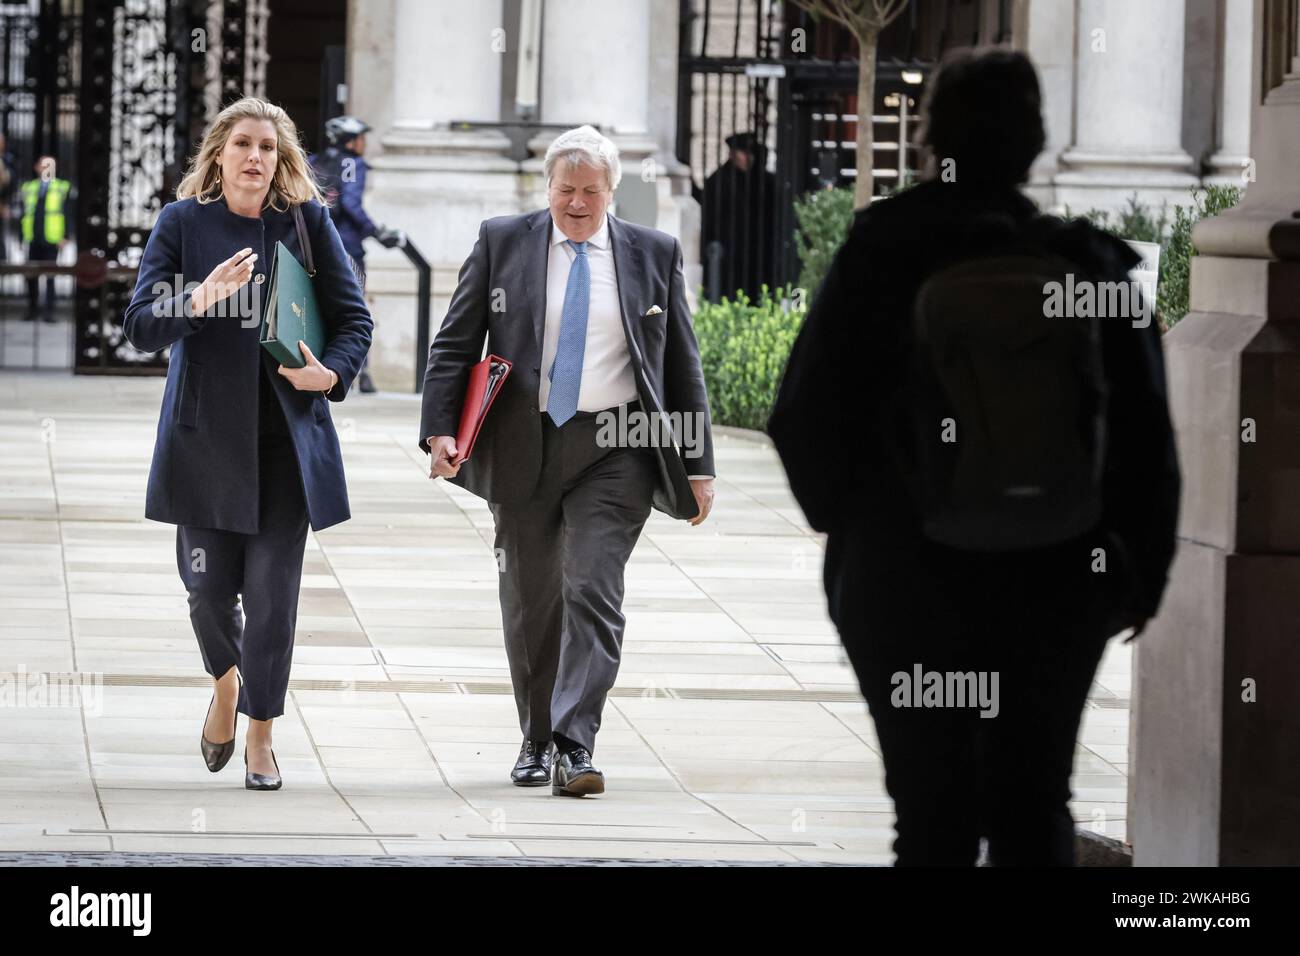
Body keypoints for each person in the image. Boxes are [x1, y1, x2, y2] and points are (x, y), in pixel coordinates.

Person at [768, 48, 1180, 865]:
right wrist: (1138, 574)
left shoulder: (881, 256)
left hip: (907, 574)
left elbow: (804, 415)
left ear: (929, 140)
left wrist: (862, 530)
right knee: (1036, 802)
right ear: (1033, 143)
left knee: (931, 812)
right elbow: (1144, 437)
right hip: (1059, 574)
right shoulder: (1087, 267)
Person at [419, 125, 716, 796]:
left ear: (613, 191)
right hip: (524, 442)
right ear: (546, 187)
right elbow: (455, 340)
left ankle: (575, 746)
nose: (577, 203)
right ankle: (535, 735)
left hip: (617, 448)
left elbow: (680, 364)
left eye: (590, 191)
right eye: (565, 189)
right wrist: (440, 430)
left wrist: (699, 465)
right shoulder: (502, 242)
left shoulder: (653, 253)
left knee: (591, 588)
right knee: (532, 601)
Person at [122, 96, 373, 791]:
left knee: (271, 603)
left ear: (282, 159)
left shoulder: (306, 223)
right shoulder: (182, 223)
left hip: (285, 448)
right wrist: (197, 300)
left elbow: (354, 321)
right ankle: (225, 685)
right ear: (219, 155)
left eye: (268, 146)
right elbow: (140, 325)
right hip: (203, 444)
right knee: (206, 592)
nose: (255, 157)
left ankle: (261, 733)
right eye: (243, 145)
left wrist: (332, 374)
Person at [309, 114, 403, 392]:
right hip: (347, 247)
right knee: (353, 309)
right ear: (351, 141)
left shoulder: (314, 162)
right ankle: (358, 374)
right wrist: (375, 231)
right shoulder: (353, 163)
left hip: (316, 244)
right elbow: (351, 203)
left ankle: (320, 365)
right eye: (361, 138)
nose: (364, 143)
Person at [698, 131, 780, 302]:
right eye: (744, 153)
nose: (749, 158)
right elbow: (711, 220)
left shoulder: (763, 179)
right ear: (733, 154)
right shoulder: (718, 181)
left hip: (758, 251)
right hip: (730, 250)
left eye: (751, 153)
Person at [20, 155, 73, 322]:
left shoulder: (62, 187)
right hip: (34, 238)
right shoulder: (29, 187)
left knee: (50, 276)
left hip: (52, 239)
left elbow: (68, 213)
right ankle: (32, 309)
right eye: (44, 165)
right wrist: (21, 237)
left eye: (50, 166)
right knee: (31, 276)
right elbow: (25, 213)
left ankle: (49, 312)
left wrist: (65, 236)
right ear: (37, 167)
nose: (47, 169)